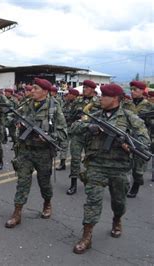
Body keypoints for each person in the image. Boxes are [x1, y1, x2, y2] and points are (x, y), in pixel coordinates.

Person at [72, 84, 149, 254]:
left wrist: (130, 144)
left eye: (104, 96)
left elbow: (145, 140)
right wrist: (89, 127)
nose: (101, 98)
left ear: (115, 99)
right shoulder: (95, 116)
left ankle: (117, 219)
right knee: (92, 201)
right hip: (96, 165)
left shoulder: (130, 118)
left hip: (119, 168)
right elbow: (74, 128)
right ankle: (86, 236)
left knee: (119, 202)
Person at [5, 78, 67, 228]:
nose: (31, 91)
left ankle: (47, 203)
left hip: (43, 153)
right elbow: (9, 117)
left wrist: (48, 137)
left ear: (45, 92)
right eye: (32, 88)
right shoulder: (26, 105)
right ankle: (17, 212)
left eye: (35, 89)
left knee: (44, 183)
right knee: (22, 182)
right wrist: (15, 122)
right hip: (25, 151)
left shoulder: (54, 109)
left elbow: (63, 133)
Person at [67, 80, 100, 195]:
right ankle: (73, 184)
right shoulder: (78, 100)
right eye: (84, 87)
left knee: (90, 160)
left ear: (92, 89)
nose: (84, 89)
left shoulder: (99, 102)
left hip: (91, 135)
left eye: (86, 87)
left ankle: (89, 183)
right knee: (75, 159)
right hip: (78, 134)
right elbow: (70, 115)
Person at [124, 81, 151, 198]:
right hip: (127, 137)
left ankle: (136, 184)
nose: (132, 91)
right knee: (125, 165)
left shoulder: (149, 106)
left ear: (142, 91)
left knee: (138, 169)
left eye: (135, 89)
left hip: (142, 139)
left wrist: (148, 121)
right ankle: (125, 186)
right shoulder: (126, 104)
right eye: (131, 89)